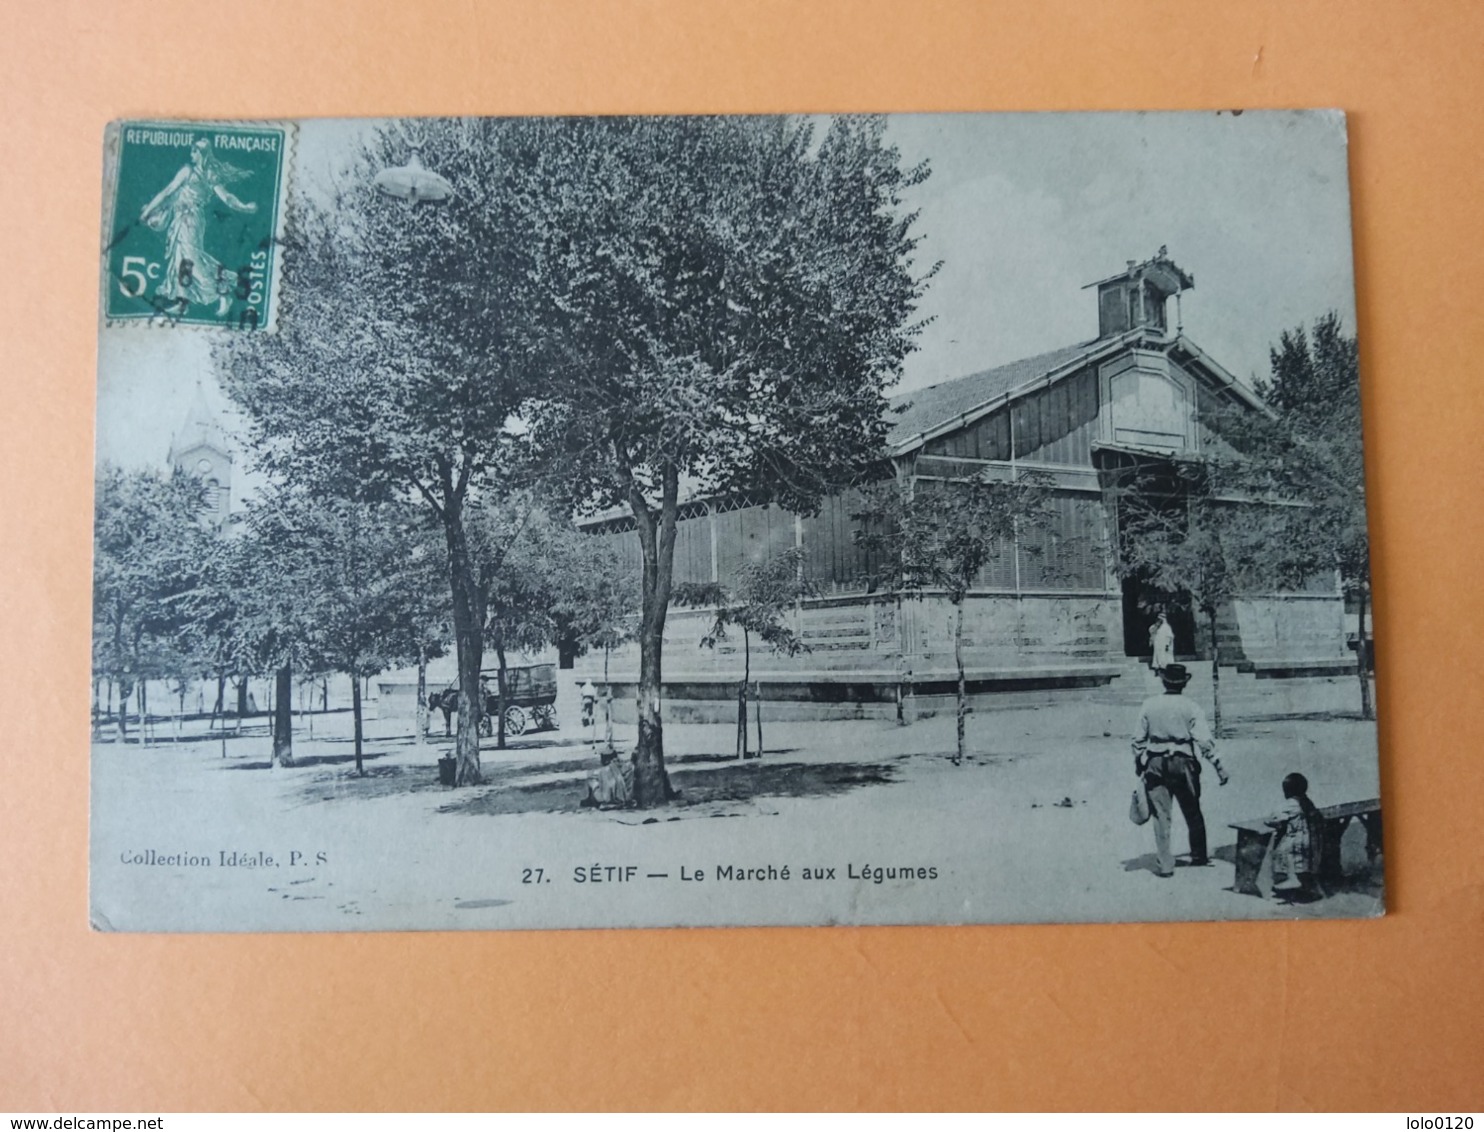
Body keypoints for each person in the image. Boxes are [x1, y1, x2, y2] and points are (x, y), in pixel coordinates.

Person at [138, 138, 257, 317]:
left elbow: (226, 197)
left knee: (193, 260)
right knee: (181, 261)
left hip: (191, 220)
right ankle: (182, 302)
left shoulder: (202, 174)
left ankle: (223, 293)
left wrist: (243, 207)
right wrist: (148, 211)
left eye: (194, 151)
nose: (191, 154)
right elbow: (169, 191)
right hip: (180, 220)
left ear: (201, 154)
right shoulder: (197, 173)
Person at [1131, 663, 1228, 877]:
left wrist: (1139, 761)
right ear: (1184, 684)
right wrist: (1219, 767)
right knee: (1192, 809)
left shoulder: (1149, 705)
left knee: (1161, 815)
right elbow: (1204, 741)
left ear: (1164, 681)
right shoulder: (1191, 706)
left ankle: (1166, 864)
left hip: (1156, 762)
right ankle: (1199, 855)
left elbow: (1138, 740)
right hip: (1184, 762)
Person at [1267, 772, 1322, 899]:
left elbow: (1274, 817)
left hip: (1295, 841)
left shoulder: (1289, 804)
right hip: (1309, 840)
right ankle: (1306, 885)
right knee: (1303, 862)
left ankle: (1292, 879)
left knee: (1283, 851)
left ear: (1287, 791)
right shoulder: (1307, 802)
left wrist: (1272, 823)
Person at [1149, 609, 1175, 676]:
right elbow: (1151, 630)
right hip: (1158, 644)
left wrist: (1167, 645)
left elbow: (1169, 636)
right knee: (1157, 657)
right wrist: (1156, 626)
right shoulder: (1156, 626)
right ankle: (1157, 668)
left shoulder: (1166, 627)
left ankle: (1163, 669)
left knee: (1164, 657)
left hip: (1164, 645)